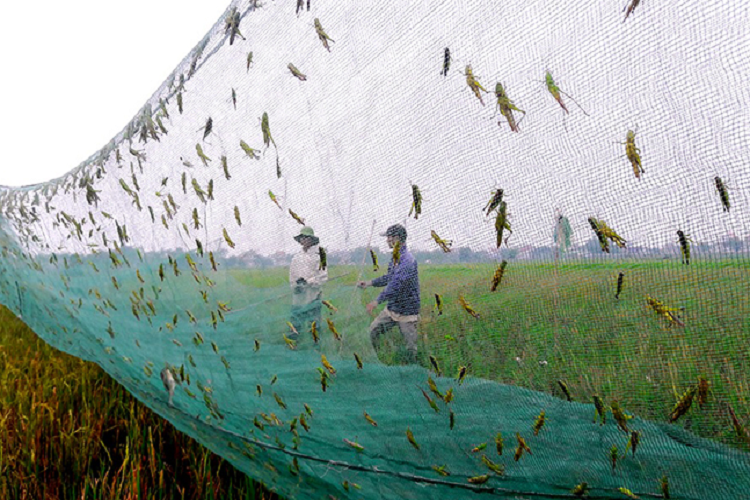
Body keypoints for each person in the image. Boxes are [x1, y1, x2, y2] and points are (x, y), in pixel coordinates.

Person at [357, 224, 421, 363]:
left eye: (389, 237)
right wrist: (369, 283)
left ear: (397, 238)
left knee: (410, 348)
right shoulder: (395, 257)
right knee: (373, 331)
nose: (386, 240)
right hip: (392, 309)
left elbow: (396, 284)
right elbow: (389, 278)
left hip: (407, 312)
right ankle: (376, 357)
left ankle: (412, 369)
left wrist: (376, 301)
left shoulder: (407, 260)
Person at [289, 226, 327, 340]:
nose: (304, 240)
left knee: (314, 325)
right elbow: (292, 275)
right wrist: (295, 286)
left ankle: (315, 348)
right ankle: (293, 345)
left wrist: (308, 282)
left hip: (313, 297)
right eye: (302, 237)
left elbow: (323, 277)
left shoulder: (320, 255)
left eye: (307, 237)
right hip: (298, 297)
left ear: (312, 239)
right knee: (295, 324)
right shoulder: (296, 257)